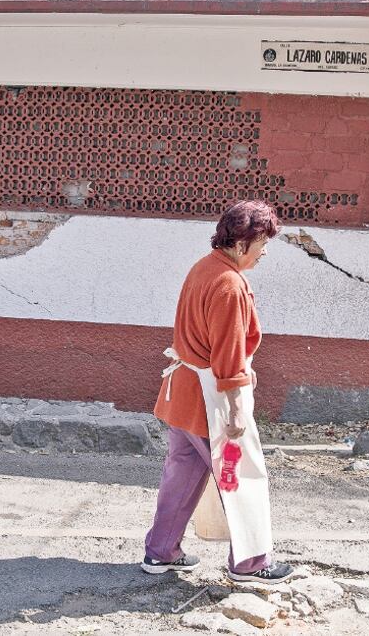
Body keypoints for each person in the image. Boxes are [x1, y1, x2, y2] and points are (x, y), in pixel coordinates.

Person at [141, 200, 293, 584]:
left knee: (182, 472)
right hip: (211, 400)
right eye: (262, 244)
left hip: (184, 394)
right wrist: (238, 410)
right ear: (241, 245)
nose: (264, 252)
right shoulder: (230, 285)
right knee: (241, 478)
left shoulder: (204, 267)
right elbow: (228, 355)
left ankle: (161, 551)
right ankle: (251, 563)